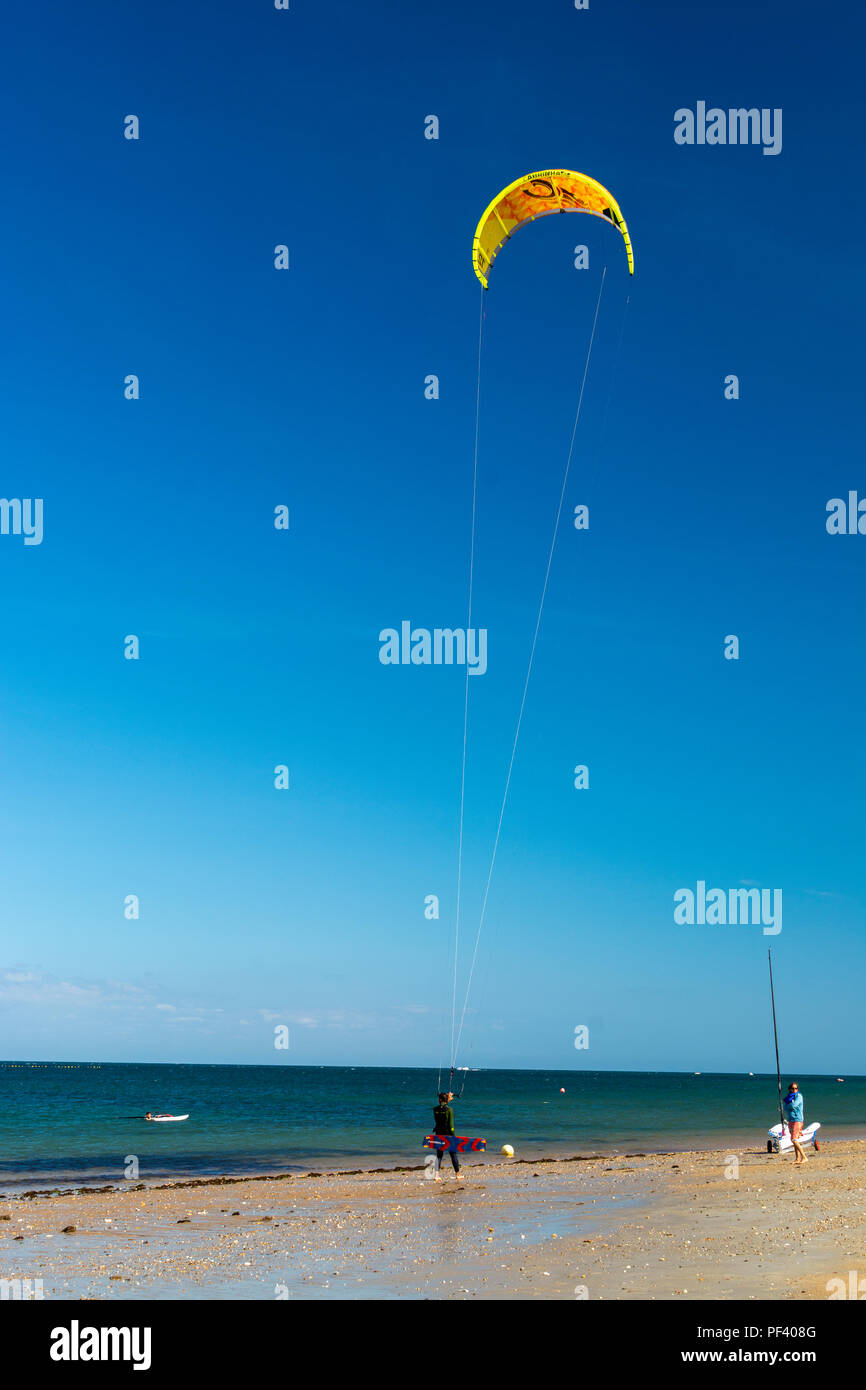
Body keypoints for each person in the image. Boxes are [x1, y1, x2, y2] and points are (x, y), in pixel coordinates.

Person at [432, 1091, 461, 1181]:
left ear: (440, 1099)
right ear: (446, 1099)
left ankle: (436, 1175)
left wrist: (447, 1098)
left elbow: (441, 1107)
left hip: (439, 1134)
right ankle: (458, 1174)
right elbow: (451, 1126)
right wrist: (454, 1137)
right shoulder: (449, 1110)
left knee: (439, 1155)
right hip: (448, 1135)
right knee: (453, 1155)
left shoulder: (435, 1109)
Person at [782, 1082, 807, 1165]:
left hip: (797, 1119)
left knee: (794, 1139)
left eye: (796, 1088)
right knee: (794, 1140)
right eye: (792, 1088)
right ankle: (797, 1158)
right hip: (791, 1120)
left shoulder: (799, 1096)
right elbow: (785, 1108)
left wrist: (788, 1105)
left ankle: (804, 1157)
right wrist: (788, 1105)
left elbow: (793, 1106)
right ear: (789, 1089)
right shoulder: (788, 1098)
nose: (794, 1090)